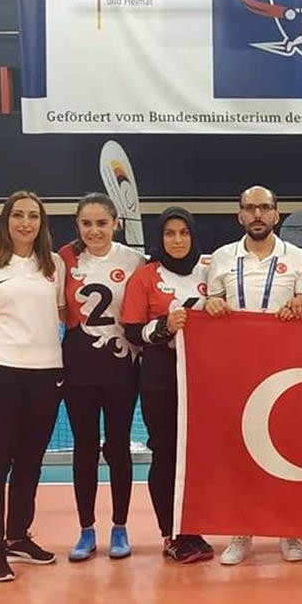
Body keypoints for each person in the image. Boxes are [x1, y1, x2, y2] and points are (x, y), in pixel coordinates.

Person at [0, 191, 65, 582]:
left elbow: (62, 313)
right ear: (6, 221)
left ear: (42, 223)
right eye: (18, 215)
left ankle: (17, 536)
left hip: (46, 375)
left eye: (33, 216)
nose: (26, 223)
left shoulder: (54, 265)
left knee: (30, 461)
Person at [207, 185, 302, 565]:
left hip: (286, 368)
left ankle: (291, 529)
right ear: (239, 215)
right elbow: (211, 302)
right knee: (241, 453)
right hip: (237, 370)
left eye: (264, 208)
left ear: (276, 214)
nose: (257, 214)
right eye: (250, 208)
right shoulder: (221, 258)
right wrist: (211, 302)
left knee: (287, 449)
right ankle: (242, 531)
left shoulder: (299, 258)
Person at [120, 207, 214, 563]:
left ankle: (193, 527)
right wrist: (164, 327)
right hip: (160, 376)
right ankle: (171, 533)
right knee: (166, 453)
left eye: (183, 233)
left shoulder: (209, 272)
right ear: (160, 238)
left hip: (202, 377)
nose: (177, 240)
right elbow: (132, 330)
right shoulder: (145, 277)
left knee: (197, 455)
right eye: (170, 233)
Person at [59, 193, 145, 562]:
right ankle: (86, 529)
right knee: (84, 447)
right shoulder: (64, 258)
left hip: (122, 367)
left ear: (116, 224)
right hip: (77, 366)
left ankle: (120, 526)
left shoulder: (134, 261)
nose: (94, 231)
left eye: (101, 223)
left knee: (118, 446)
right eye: (86, 224)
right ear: (77, 225)